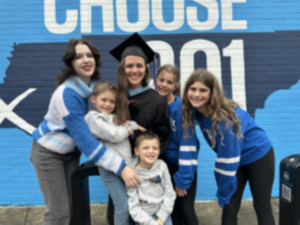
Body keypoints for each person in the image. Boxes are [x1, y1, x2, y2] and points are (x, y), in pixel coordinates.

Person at [30, 38, 140, 225]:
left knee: (74, 208)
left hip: (70, 154)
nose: (86, 60)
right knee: (59, 213)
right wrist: (122, 167)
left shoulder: (89, 89)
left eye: (89, 55)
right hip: (48, 154)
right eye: (78, 56)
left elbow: (90, 127)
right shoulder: (67, 95)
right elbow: (86, 142)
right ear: (71, 63)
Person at [181, 69, 275, 225]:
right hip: (236, 158)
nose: (196, 94)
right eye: (193, 89)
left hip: (258, 156)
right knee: (229, 206)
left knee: (261, 205)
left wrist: (223, 190)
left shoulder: (225, 120)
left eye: (203, 90)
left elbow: (227, 160)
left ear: (212, 93)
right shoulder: (197, 112)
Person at [107, 32, 171, 225]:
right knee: (120, 207)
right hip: (117, 164)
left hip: (145, 168)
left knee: (144, 209)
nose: (134, 70)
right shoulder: (113, 97)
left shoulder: (157, 100)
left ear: (146, 68)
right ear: (122, 68)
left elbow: (163, 135)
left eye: (139, 66)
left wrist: (146, 160)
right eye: (129, 66)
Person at [85, 81, 146, 225]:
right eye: (104, 100)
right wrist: (127, 131)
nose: (108, 104)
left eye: (112, 101)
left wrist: (136, 126)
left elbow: (123, 124)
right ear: (94, 99)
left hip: (128, 166)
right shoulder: (94, 117)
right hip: (110, 170)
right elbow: (114, 134)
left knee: (134, 204)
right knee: (122, 207)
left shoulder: (110, 118)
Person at [156, 64, 199, 225]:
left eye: (169, 82)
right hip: (164, 167)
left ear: (176, 85)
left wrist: (183, 178)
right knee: (170, 210)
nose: (164, 85)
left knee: (186, 211)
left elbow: (188, 144)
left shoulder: (182, 108)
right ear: (156, 79)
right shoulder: (153, 104)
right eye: (161, 80)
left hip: (183, 166)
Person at [127, 132, 176, 225]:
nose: (151, 151)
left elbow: (170, 193)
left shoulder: (162, 166)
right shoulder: (132, 173)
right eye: (145, 148)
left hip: (162, 213)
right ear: (137, 151)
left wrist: (162, 217)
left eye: (155, 148)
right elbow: (133, 206)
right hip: (143, 217)